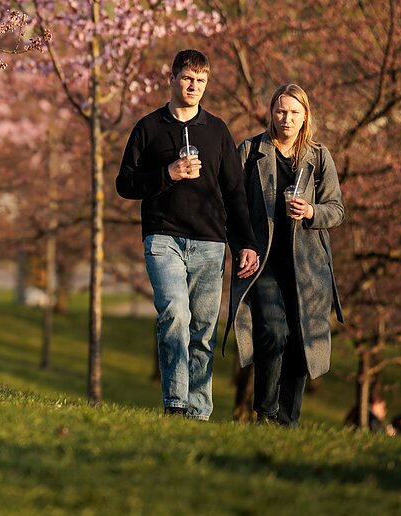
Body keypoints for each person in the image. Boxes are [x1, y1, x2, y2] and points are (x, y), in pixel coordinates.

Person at [116, 49, 259, 419]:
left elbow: (235, 193)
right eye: (187, 79)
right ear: (172, 79)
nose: (194, 86)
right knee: (175, 313)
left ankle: (198, 413)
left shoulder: (218, 131)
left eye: (201, 81)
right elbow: (125, 183)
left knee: (202, 332)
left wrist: (245, 243)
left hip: (210, 242)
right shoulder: (148, 127)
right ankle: (175, 405)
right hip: (163, 237)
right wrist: (168, 174)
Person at [225, 83, 345, 426]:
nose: (286, 119)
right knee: (273, 331)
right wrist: (242, 246)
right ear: (271, 113)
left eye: (294, 112)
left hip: (308, 267)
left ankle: (287, 423)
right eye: (281, 111)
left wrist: (311, 211)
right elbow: (231, 207)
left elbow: (336, 209)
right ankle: (265, 412)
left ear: (305, 115)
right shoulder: (251, 151)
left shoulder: (318, 156)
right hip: (263, 264)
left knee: (300, 342)